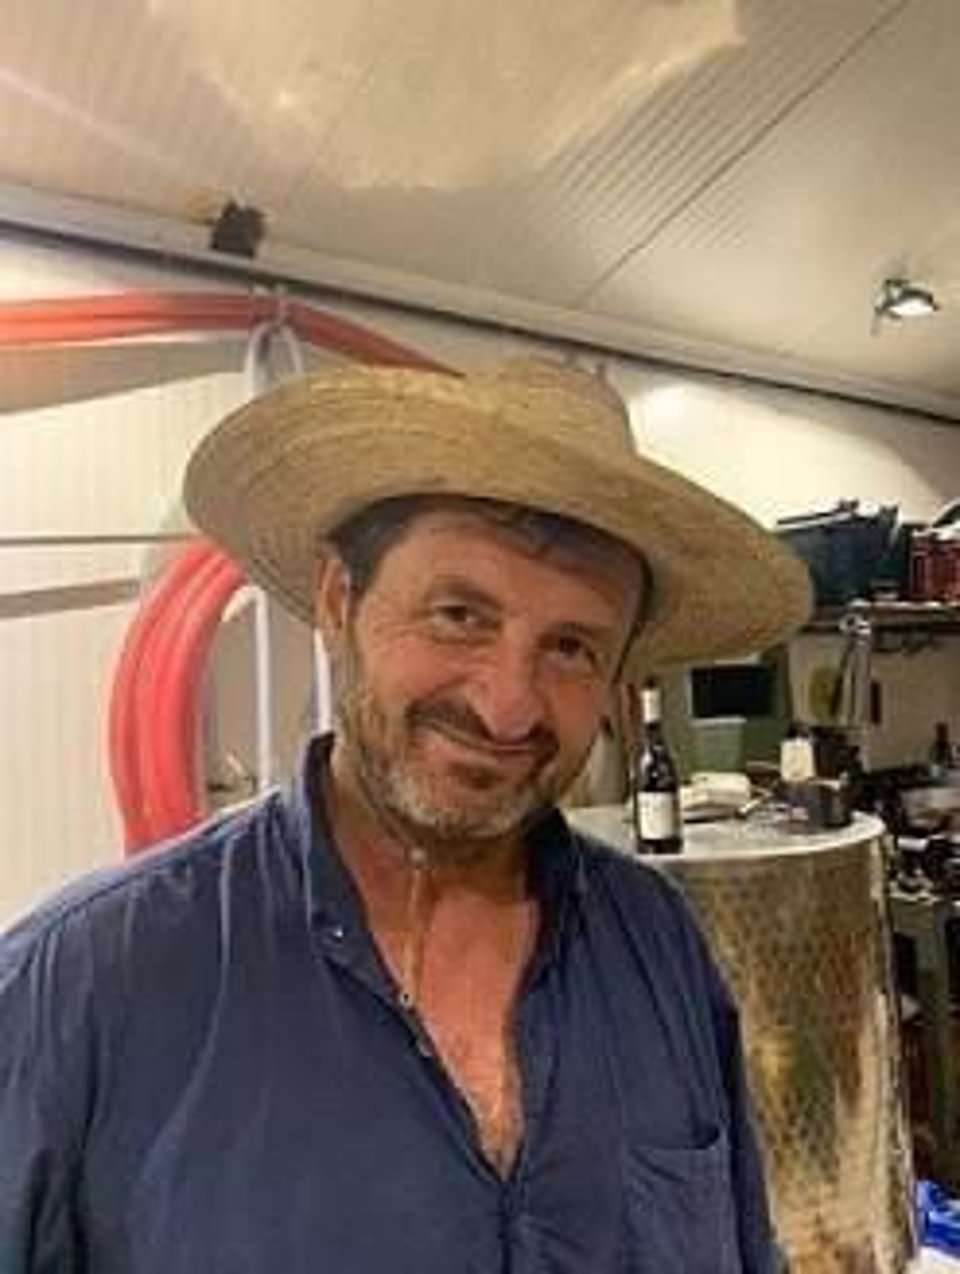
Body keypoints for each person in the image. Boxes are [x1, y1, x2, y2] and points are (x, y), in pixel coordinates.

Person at [0, 357, 810, 1272]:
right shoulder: (80, 988)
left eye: (571, 647)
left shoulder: (658, 943)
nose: (507, 708)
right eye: (460, 614)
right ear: (338, 602)